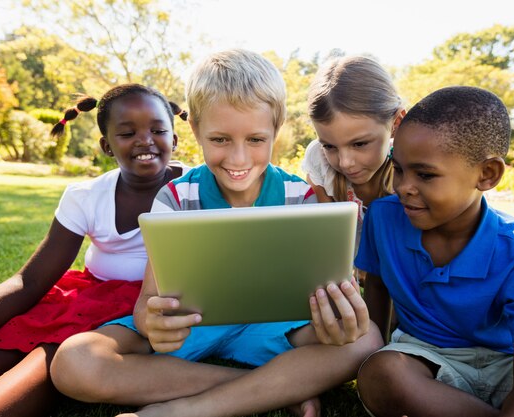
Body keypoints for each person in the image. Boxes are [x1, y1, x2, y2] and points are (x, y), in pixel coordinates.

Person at [50, 49, 382, 417]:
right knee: (74, 360)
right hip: (192, 329)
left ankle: (188, 409)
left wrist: (338, 315)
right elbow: (147, 302)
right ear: (194, 130)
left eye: (256, 140)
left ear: (276, 128)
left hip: (274, 330)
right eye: (220, 140)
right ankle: (275, 388)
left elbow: (326, 295)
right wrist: (153, 323)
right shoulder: (175, 197)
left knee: (366, 339)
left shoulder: (300, 196)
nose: (238, 160)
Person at [355, 86, 514, 417]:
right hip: (427, 364)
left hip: (511, 365)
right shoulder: (384, 217)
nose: (403, 186)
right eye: (400, 168)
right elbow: (376, 286)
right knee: (383, 373)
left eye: (425, 174)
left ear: (487, 174)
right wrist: (371, 348)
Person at [0, 83, 191, 417]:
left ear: (174, 139)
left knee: (29, 372)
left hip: (127, 314)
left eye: (158, 130)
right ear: (106, 146)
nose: (145, 140)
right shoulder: (85, 195)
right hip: (84, 298)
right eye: (127, 133)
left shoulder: (197, 188)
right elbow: (30, 282)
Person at [302, 55, 405, 251]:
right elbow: (329, 240)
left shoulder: (412, 168)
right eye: (329, 146)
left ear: (396, 123)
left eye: (359, 144)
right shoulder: (319, 161)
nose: (345, 163)